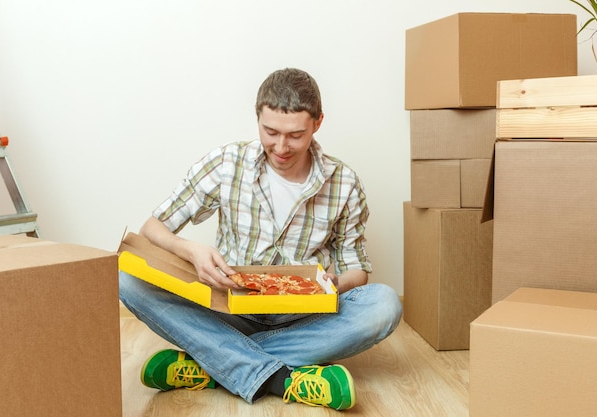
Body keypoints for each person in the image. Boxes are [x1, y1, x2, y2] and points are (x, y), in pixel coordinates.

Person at [119, 68, 403, 410]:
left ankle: (212, 361)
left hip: (301, 315)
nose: (281, 147)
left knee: (384, 305)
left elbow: (357, 270)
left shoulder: (344, 183)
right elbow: (153, 227)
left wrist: (335, 283)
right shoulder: (227, 162)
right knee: (126, 278)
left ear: (318, 123)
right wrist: (190, 250)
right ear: (258, 119)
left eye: (296, 135)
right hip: (226, 306)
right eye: (270, 132)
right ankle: (280, 379)